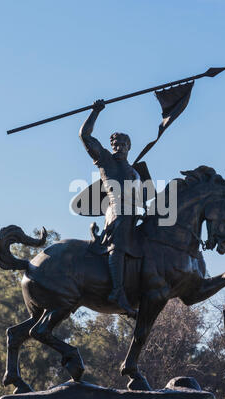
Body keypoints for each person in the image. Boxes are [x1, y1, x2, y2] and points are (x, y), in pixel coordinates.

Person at [79, 99, 143, 318]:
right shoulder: (105, 159)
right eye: (115, 144)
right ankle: (117, 291)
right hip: (117, 211)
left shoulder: (135, 172)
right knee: (120, 240)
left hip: (134, 212)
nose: (118, 147)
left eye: (122, 145)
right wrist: (95, 111)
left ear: (128, 147)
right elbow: (84, 136)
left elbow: (141, 197)